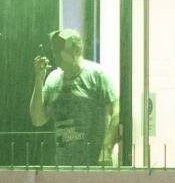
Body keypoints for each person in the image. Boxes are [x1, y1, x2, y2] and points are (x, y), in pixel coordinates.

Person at [29, 28, 120, 166]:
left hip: (94, 166)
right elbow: (38, 119)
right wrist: (39, 78)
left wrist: (106, 149)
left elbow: (117, 113)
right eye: (54, 49)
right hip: (63, 167)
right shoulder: (52, 79)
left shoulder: (97, 75)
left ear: (77, 50)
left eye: (60, 49)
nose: (55, 54)